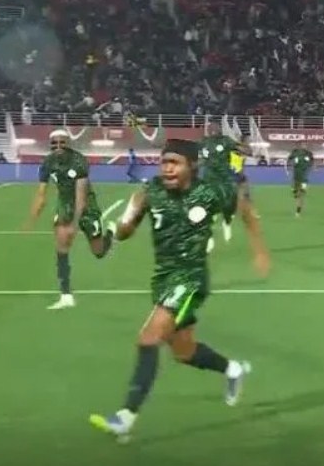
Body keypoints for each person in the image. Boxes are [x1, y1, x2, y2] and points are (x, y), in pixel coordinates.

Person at [88, 139, 271, 442]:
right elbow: (126, 230)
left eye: (175, 163)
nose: (168, 168)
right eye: (164, 162)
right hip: (163, 279)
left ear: (192, 166)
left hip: (190, 280)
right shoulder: (151, 191)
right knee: (184, 352)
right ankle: (233, 369)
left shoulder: (210, 192)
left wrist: (260, 251)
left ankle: (126, 416)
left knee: (149, 338)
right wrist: (121, 225)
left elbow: (247, 211)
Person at [24, 129, 114, 310]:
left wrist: (75, 224)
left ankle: (111, 233)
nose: (58, 146)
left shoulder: (79, 161)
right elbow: (41, 193)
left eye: (62, 142)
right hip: (65, 205)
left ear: (69, 143)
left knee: (98, 252)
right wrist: (31, 219)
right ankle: (66, 295)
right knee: (62, 246)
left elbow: (81, 196)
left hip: (87, 207)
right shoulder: (47, 163)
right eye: (54, 143)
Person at [200, 123, 251, 243]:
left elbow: (242, 149)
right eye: (211, 129)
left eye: (216, 128)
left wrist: (245, 149)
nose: (213, 131)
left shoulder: (226, 141)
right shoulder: (203, 142)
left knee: (230, 202)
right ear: (208, 130)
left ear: (220, 130)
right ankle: (209, 235)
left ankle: (227, 222)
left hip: (225, 178)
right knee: (208, 205)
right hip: (209, 179)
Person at [286, 144, 314, 217]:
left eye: (305, 146)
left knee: (301, 195)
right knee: (296, 193)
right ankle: (295, 192)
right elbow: (289, 159)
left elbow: (312, 161)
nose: (304, 147)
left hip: (303, 179)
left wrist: (312, 166)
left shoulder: (308, 154)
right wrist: (288, 167)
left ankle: (298, 211)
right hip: (296, 178)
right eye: (303, 146)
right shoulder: (296, 153)